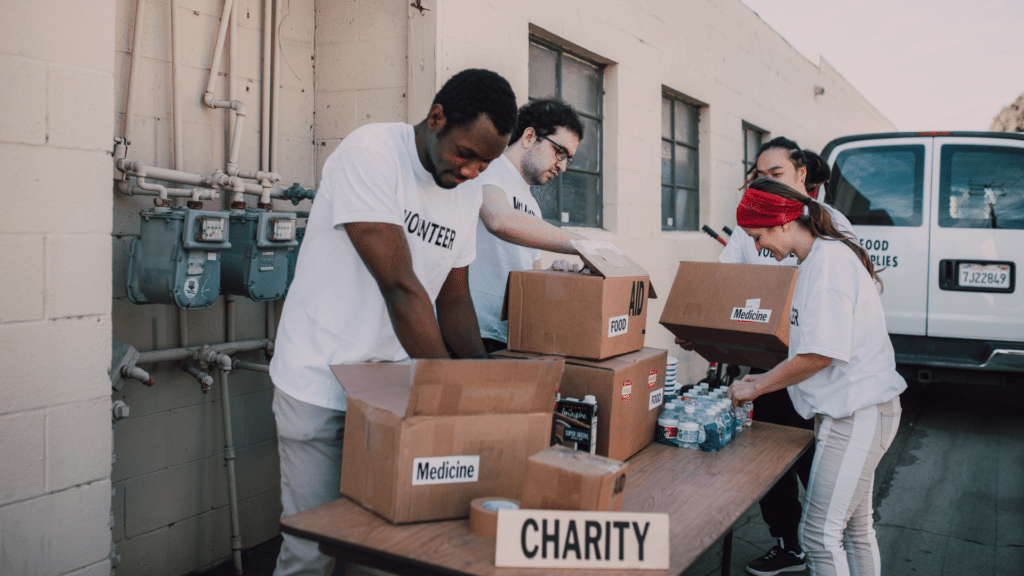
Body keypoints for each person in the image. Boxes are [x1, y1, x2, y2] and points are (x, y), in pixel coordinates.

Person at [268, 68, 517, 576]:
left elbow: (453, 297)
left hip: (387, 391)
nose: (473, 171)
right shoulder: (373, 153)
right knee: (312, 549)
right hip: (320, 381)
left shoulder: (466, 191)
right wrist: (448, 394)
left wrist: (483, 385)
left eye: (486, 163)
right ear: (436, 117)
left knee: (384, 546)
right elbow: (401, 287)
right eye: (466, 153)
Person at [727, 177, 905, 576]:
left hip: (858, 412)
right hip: (852, 410)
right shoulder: (815, 260)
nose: (758, 247)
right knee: (856, 529)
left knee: (820, 536)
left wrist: (757, 384)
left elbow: (820, 355)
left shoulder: (827, 265)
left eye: (758, 236)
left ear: (783, 223)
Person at [722, 137, 855, 576]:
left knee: (817, 465)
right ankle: (789, 544)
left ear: (801, 173)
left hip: (817, 371)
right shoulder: (751, 226)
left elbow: (842, 312)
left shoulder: (831, 229)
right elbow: (721, 281)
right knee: (765, 458)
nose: (762, 247)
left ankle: (827, 544)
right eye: (759, 176)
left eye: (775, 175)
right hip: (768, 361)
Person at [469, 98, 587, 353]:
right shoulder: (488, 169)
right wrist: (583, 246)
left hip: (509, 338)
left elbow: (531, 274)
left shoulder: (532, 205)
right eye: (560, 152)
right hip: (470, 336)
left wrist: (552, 273)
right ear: (530, 137)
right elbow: (499, 220)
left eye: (569, 159)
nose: (563, 166)